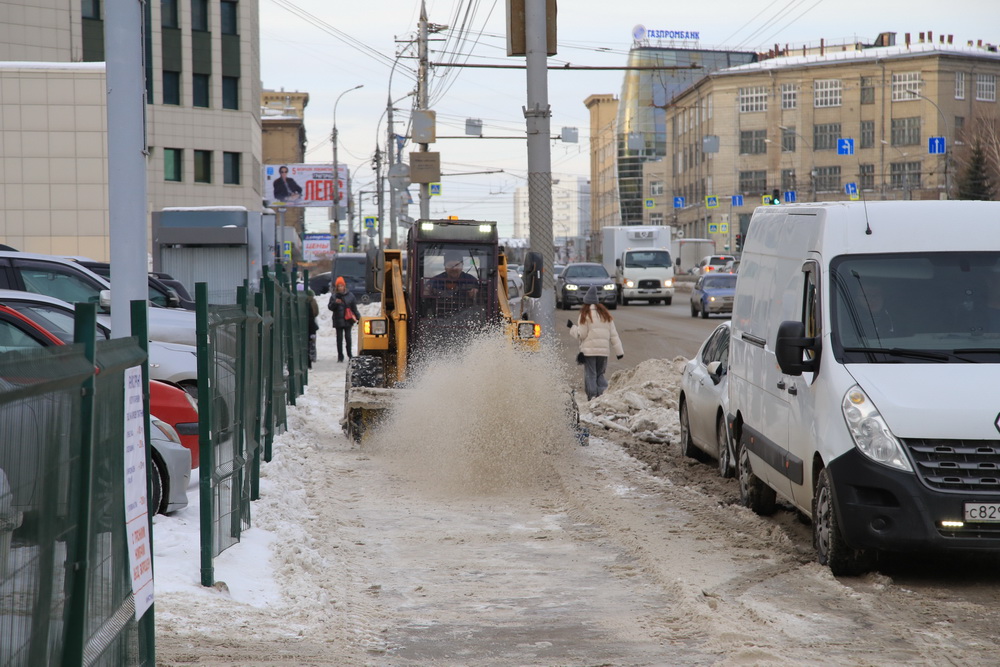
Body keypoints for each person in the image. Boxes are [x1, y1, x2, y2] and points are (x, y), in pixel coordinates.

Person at [569, 286, 624, 401]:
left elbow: (581, 334)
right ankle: (602, 395)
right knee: (600, 374)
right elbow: (614, 335)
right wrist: (619, 352)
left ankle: (592, 396)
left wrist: (572, 327)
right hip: (603, 352)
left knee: (591, 374)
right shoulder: (606, 315)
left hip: (589, 352)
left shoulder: (585, 315)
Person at [328, 276, 361, 362]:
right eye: (338, 286)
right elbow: (330, 307)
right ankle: (340, 356)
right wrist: (335, 303)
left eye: (341, 285)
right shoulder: (334, 296)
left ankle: (349, 354)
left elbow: (354, 308)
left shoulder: (350, 296)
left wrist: (359, 318)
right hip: (338, 320)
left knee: (348, 338)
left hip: (348, 320)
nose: (340, 287)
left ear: (344, 286)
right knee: (339, 339)